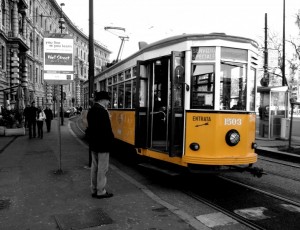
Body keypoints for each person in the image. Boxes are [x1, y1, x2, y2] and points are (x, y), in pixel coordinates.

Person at [87, 91, 114, 199]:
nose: (108, 102)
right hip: (103, 144)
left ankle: (94, 189)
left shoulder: (92, 110)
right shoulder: (102, 112)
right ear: (103, 100)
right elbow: (106, 130)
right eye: (108, 100)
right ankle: (101, 191)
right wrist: (112, 141)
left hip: (94, 144)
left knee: (94, 167)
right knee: (102, 168)